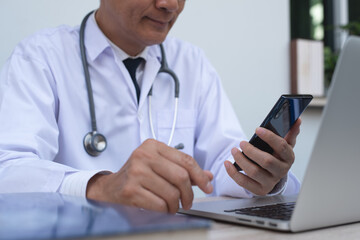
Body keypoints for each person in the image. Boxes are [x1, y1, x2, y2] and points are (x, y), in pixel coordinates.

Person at [0, 0, 301, 213]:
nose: (170, 4)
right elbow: (7, 169)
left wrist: (261, 176)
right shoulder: (40, 59)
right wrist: (100, 187)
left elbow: (223, 165)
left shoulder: (191, 63)